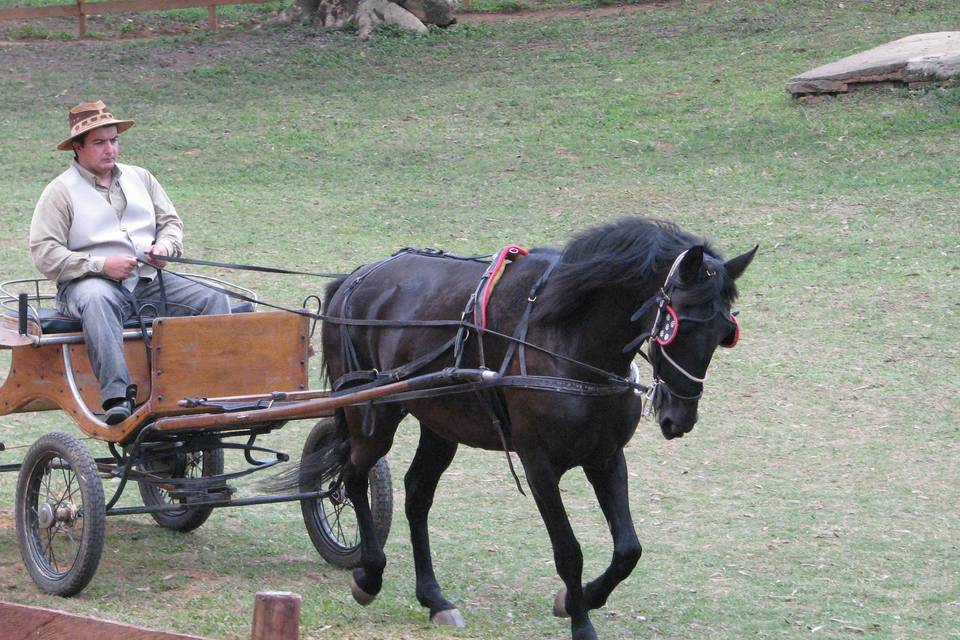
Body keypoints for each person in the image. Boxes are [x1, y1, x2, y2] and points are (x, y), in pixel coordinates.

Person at [30, 100, 231, 425]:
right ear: (78, 148)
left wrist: (165, 247)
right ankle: (117, 397)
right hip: (85, 288)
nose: (110, 149)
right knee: (98, 299)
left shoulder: (142, 178)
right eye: (99, 142)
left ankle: (207, 389)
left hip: (147, 283)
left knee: (213, 297)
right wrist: (99, 265)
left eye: (113, 140)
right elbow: (44, 252)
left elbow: (171, 224)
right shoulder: (59, 192)